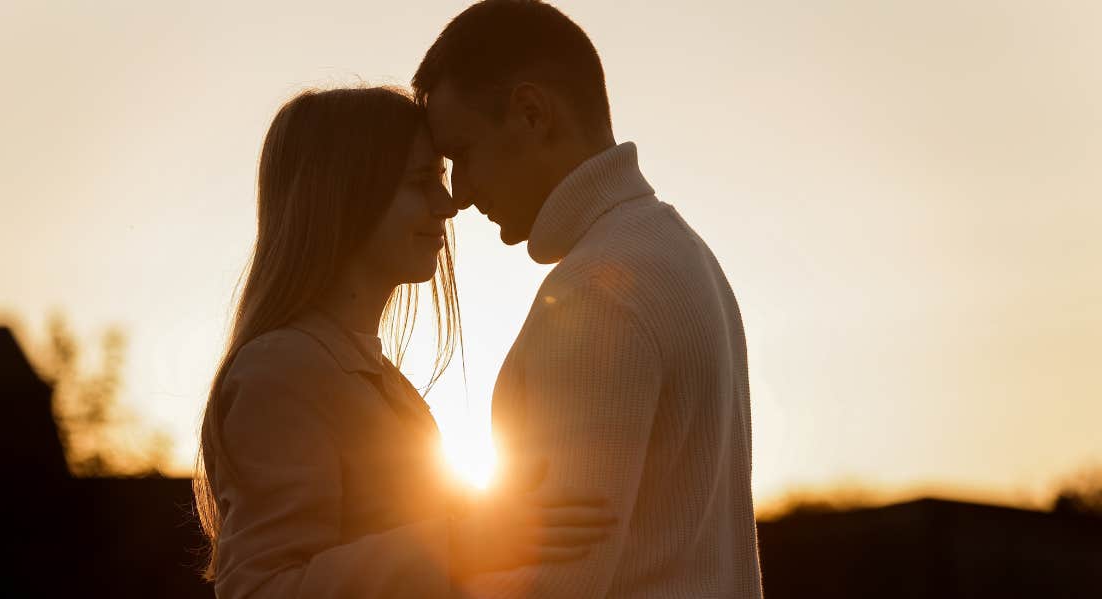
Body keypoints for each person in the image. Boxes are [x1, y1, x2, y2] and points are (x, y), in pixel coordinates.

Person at [193, 86, 615, 598]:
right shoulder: (280, 371)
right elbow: (261, 588)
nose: (449, 203)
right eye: (422, 182)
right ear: (345, 196)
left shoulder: (361, 372)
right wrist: (463, 543)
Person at [413, 1, 765, 597]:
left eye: (463, 154)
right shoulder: (680, 252)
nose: (461, 195)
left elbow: (551, 580)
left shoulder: (600, 292)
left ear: (531, 113)